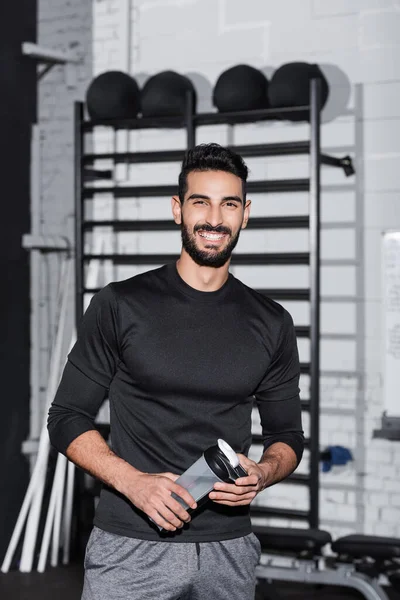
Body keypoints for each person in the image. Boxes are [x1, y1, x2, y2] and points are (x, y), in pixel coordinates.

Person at [48, 143, 304, 600]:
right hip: (132, 545)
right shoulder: (120, 305)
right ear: (177, 209)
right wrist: (133, 483)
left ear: (245, 214)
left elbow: (287, 436)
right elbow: (66, 417)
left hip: (229, 551)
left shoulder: (271, 322)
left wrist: (263, 473)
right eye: (200, 201)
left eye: (228, 204)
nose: (213, 218)